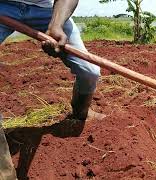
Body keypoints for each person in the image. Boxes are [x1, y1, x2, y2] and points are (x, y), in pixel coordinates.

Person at [0, 0, 106, 179]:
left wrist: (56, 24)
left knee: (90, 71)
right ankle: (4, 173)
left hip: (45, 10)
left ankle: (80, 113)